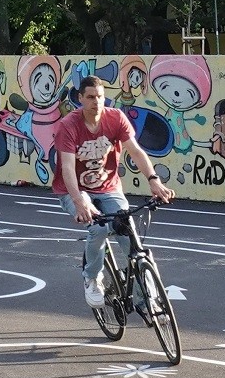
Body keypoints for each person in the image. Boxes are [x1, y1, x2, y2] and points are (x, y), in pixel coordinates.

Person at [56, 74, 173, 309]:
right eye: (90, 97)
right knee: (98, 228)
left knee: (129, 235)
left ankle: (145, 299)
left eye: (99, 96)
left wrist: (154, 180)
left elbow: (136, 152)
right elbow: (67, 168)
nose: (96, 102)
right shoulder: (69, 125)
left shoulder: (116, 118)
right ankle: (92, 278)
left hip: (108, 187)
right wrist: (79, 201)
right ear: (81, 99)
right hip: (74, 190)